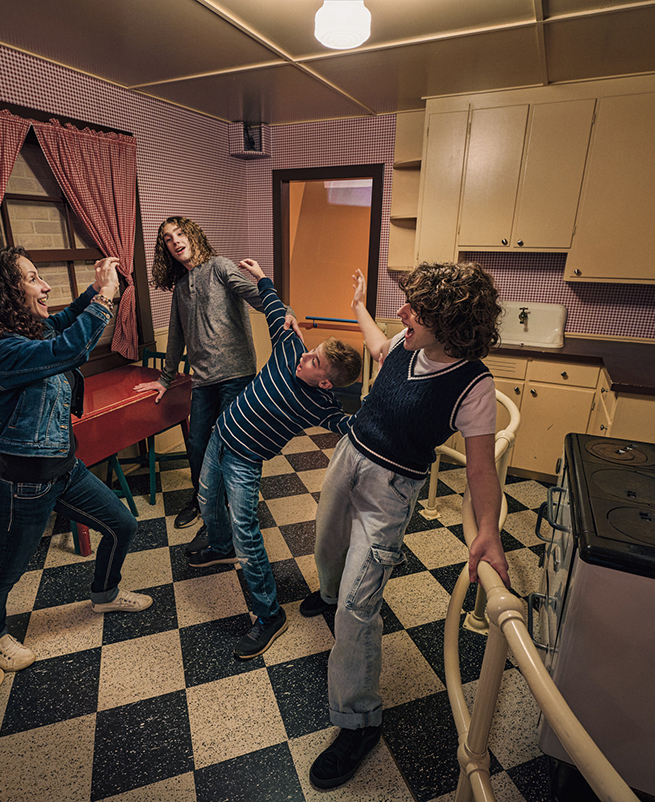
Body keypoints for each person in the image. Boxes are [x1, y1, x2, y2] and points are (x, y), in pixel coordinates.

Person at [303, 262, 510, 789]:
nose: (402, 313)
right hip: (349, 455)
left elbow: (481, 468)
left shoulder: (473, 384)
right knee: (326, 545)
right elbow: (377, 346)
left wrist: (488, 530)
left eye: (415, 309)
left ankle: (359, 721)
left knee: (357, 605)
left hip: (390, 492)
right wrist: (356, 307)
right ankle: (327, 591)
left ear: (449, 321)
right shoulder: (405, 344)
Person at [0, 247, 152, 672]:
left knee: (122, 525)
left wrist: (92, 290)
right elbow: (70, 348)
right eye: (34, 278)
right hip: (24, 482)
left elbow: (61, 326)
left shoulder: (27, 335)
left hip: (63, 469)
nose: (46, 286)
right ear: (3, 292)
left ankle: (105, 595)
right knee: (6, 568)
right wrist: (106, 298)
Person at [187, 258, 362, 659]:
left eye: (314, 361)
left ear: (324, 381)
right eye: (311, 351)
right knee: (205, 498)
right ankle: (218, 545)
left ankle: (269, 616)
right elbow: (273, 309)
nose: (305, 357)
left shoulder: (321, 405)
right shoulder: (289, 350)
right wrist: (263, 277)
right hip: (221, 434)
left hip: (245, 460)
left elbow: (350, 426)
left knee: (247, 532)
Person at [134, 217, 299, 548]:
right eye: (168, 238)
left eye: (180, 234)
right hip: (203, 380)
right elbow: (177, 336)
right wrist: (165, 380)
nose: (176, 241)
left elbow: (255, 296)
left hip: (236, 375)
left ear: (193, 236)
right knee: (197, 445)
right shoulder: (181, 288)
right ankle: (202, 500)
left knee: (229, 447)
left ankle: (226, 513)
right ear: (165, 248)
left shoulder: (221, 267)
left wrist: (285, 310)